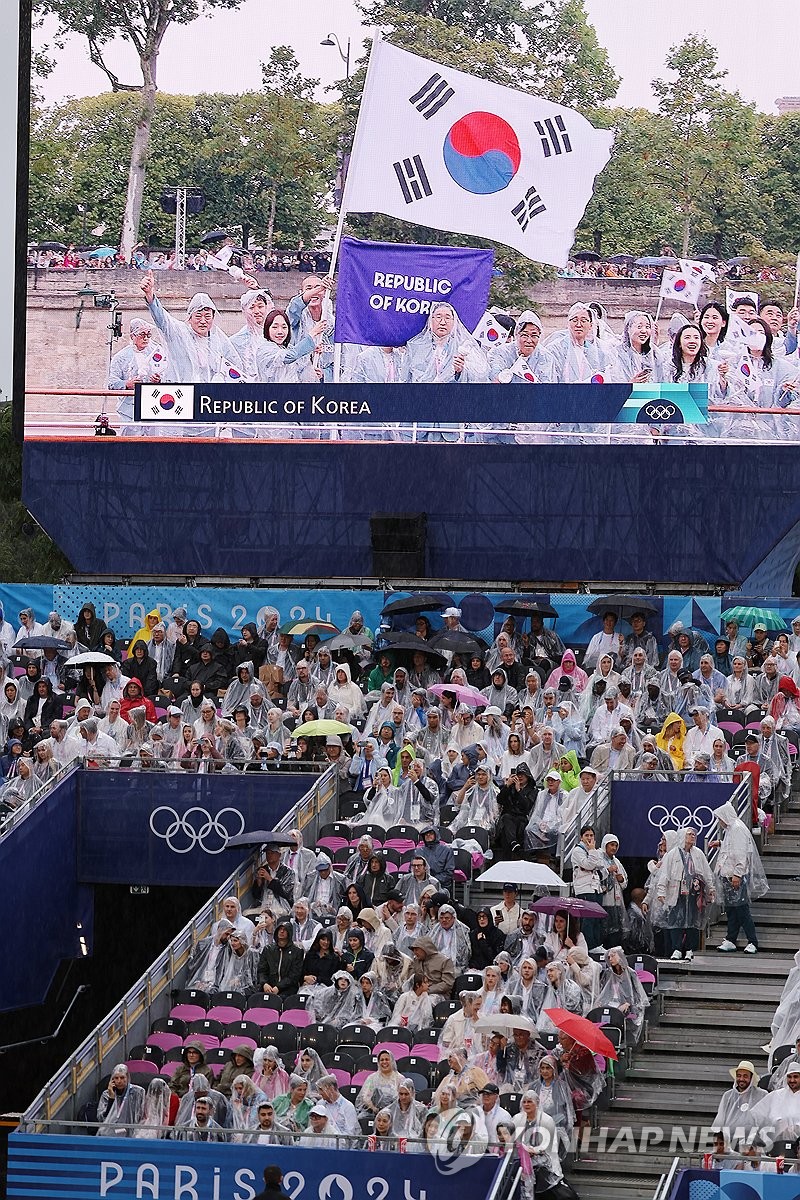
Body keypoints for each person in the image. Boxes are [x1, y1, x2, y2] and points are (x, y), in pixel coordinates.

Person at [141, 270, 244, 383]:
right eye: (198, 316)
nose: (203, 321)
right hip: (182, 394)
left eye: (207, 316)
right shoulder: (179, 334)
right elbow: (163, 320)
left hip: (209, 397)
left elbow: (234, 366)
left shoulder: (219, 340)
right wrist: (150, 295)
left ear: (213, 318)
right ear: (189, 318)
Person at [646, 827, 715, 961]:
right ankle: (676, 949)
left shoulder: (698, 853)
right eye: (689, 834)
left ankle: (690, 949)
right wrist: (661, 891)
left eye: (693, 834)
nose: (692, 836)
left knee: (692, 923)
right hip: (676, 893)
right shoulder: (672, 854)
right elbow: (664, 874)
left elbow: (706, 873)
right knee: (675, 922)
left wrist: (711, 889)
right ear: (683, 836)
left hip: (694, 894)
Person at [709, 801, 768, 954]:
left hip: (735, 877)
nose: (719, 822)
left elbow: (741, 853)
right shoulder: (731, 829)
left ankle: (752, 941)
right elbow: (731, 847)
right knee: (731, 910)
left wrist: (737, 874)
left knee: (741, 910)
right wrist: (720, 843)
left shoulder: (737, 829)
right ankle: (731, 939)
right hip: (729, 876)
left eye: (720, 818)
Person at [710, 1060, 767, 1148]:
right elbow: (719, 1121)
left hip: (753, 1146)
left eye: (745, 1076)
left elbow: (766, 1122)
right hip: (730, 1144)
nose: (741, 1079)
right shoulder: (728, 1096)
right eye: (739, 1076)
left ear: (751, 1078)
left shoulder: (762, 1095)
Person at [97, 1064, 146, 1136]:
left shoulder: (138, 1092)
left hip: (132, 1132)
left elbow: (140, 1117)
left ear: (128, 1078)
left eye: (122, 1077)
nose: (119, 1081)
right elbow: (102, 1118)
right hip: (111, 1132)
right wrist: (111, 1098)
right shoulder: (106, 1094)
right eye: (116, 1078)